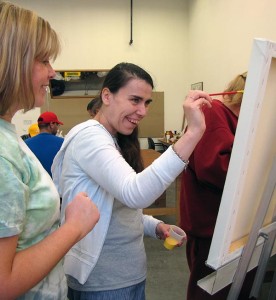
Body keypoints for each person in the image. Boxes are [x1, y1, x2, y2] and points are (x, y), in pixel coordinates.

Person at [52, 62, 213, 300]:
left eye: (147, 103)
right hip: (104, 282)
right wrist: (193, 133)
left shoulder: (112, 139)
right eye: (135, 100)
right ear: (107, 95)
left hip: (127, 276)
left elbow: (118, 208)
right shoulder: (90, 137)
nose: (143, 111)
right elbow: (135, 193)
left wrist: (153, 226)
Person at [0, 2, 100, 299]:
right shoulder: (3, 153)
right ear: (11, 62)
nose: (53, 72)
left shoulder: (10, 136)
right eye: (43, 60)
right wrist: (74, 227)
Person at [179, 72, 256, 299]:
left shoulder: (237, 121)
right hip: (211, 229)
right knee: (210, 291)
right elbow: (213, 167)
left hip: (229, 228)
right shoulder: (214, 113)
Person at [26, 111, 64, 177]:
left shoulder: (25, 144)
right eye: (57, 125)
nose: (57, 128)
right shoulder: (62, 143)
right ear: (52, 124)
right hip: (55, 185)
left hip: (34, 185)